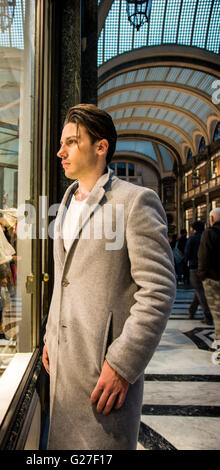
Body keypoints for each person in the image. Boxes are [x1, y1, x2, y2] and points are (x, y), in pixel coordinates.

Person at [42, 104, 176, 450]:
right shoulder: (67, 203)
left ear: (101, 147)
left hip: (103, 375)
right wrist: (49, 333)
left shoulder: (135, 202)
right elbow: (64, 281)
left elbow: (158, 290)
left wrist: (122, 364)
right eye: (61, 143)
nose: (61, 151)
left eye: (71, 142)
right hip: (63, 368)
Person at [198, 208, 220, 365]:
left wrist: (202, 274)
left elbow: (204, 255)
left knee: (217, 312)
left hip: (213, 278)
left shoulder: (210, 233)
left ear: (211, 219)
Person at [184, 221, 213, 325]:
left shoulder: (192, 239)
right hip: (207, 267)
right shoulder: (207, 236)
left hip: (194, 267)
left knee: (199, 290)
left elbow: (187, 253)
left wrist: (184, 263)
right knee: (198, 290)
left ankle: (207, 314)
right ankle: (192, 311)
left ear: (193, 229)